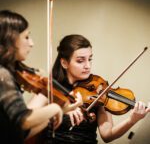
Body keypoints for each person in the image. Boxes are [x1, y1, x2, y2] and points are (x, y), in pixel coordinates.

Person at [46, 34, 150, 144]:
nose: (88, 66)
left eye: (90, 59)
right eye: (80, 61)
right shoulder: (48, 89)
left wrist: (132, 120)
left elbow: (107, 135)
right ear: (64, 63)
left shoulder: (99, 88)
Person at [0, 10, 82, 144]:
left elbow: (20, 134)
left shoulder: (8, 73)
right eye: (26, 37)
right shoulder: (2, 74)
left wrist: (61, 109)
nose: (31, 43)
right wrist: (54, 108)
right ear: (10, 39)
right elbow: (24, 120)